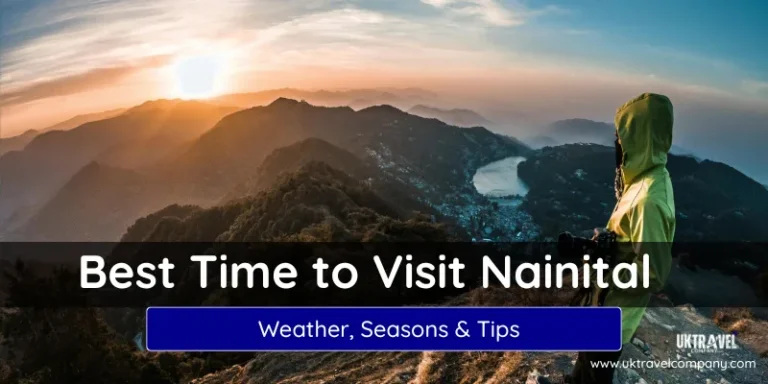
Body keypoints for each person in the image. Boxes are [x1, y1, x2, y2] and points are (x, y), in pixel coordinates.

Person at [532, 93, 677, 384]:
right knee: (587, 358)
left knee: (598, 370)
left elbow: (653, 275)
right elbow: (629, 240)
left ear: (638, 138)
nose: (617, 142)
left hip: (615, 312)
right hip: (606, 304)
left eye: (622, 135)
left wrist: (608, 267)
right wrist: (602, 248)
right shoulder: (647, 179)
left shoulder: (648, 199)